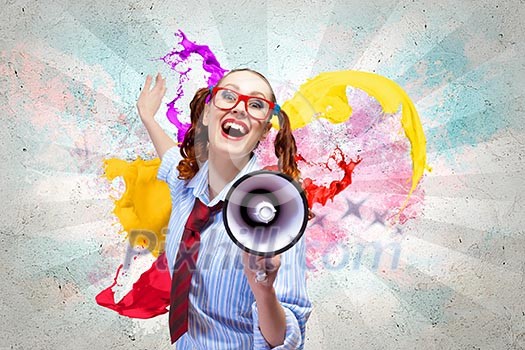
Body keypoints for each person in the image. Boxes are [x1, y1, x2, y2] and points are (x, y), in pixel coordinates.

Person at [137, 68, 312, 349]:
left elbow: (287, 341)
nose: (240, 108)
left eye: (256, 104)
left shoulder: (278, 214)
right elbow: (170, 158)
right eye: (228, 96)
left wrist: (264, 290)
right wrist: (148, 116)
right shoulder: (187, 184)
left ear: (264, 130)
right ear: (207, 114)